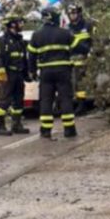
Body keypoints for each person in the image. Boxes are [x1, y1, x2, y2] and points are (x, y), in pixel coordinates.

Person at [27, 9, 76, 139]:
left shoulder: (36, 35)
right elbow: (78, 47)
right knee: (65, 98)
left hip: (46, 73)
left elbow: (31, 56)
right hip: (63, 71)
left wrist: (32, 71)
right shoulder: (65, 33)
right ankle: (69, 129)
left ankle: (45, 130)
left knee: (46, 100)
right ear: (55, 18)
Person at [0, 16, 31, 136]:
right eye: (19, 23)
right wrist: (2, 75)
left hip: (18, 74)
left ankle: (16, 124)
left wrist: (26, 74)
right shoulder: (1, 41)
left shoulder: (20, 40)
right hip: (7, 75)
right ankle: (0, 126)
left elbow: (23, 59)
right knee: (4, 101)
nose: (21, 25)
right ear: (12, 25)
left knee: (18, 101)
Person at [66, 4, 93, 113]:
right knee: (73, 83)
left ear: (79, 13)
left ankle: (82, 105)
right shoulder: (68, 28)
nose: (72, 16)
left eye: (74, 13)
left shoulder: (87, 26)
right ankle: (75, 103)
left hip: (85, 58)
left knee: (80, 82)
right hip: (71, 59)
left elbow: (95, 40)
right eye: (70, 14)